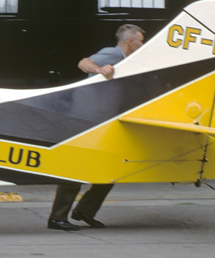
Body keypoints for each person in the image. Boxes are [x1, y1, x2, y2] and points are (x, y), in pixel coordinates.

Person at [48, 24, 145, 231]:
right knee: (76, 168)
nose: (143, 44)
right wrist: (100, 69)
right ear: (130, 42)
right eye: (141, 41)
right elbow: (83, 63)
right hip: (83, 121)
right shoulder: (113, 53)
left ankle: (85, 211)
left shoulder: (129, 61)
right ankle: (57, 218)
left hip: (100, 122)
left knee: (111, 169)